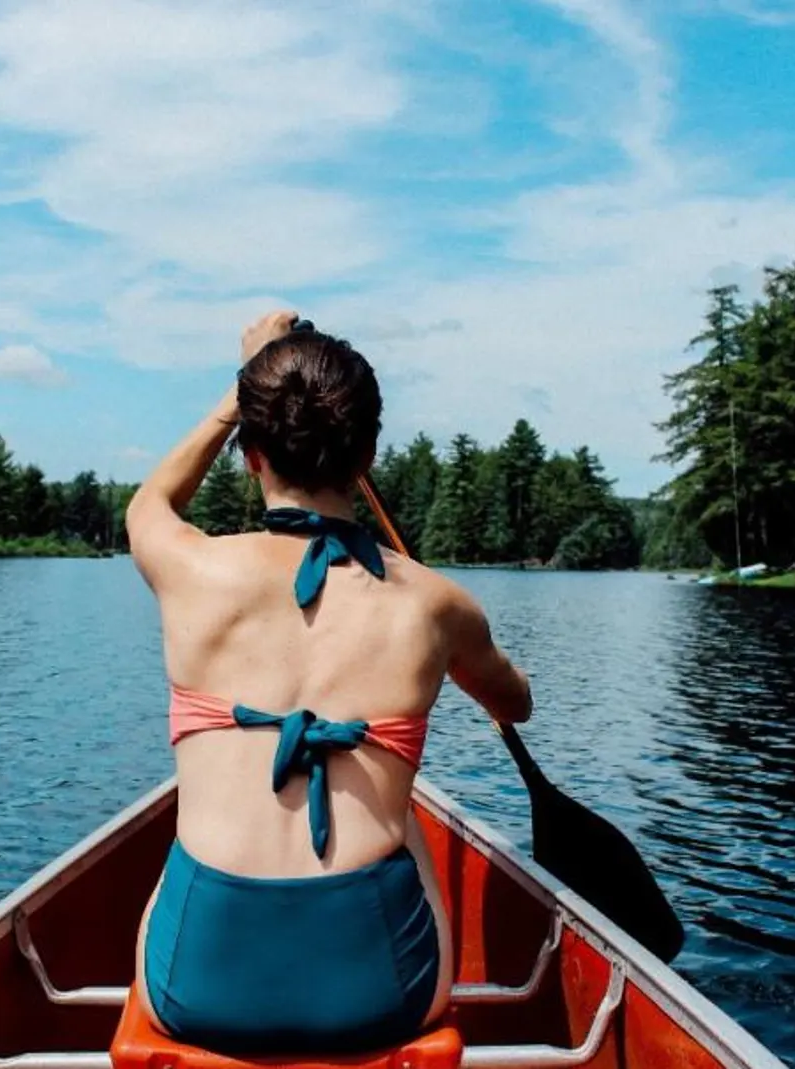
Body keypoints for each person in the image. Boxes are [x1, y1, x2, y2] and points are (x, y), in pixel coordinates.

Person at [123, 310, 534, 1056]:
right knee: (404, 815)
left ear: (250, 453)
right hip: (380, 996)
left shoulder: (190, 570)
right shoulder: (437, 604)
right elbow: (518, 703)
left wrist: (240, 386)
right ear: (368, 453)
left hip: (196, 991)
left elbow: (149, 505)